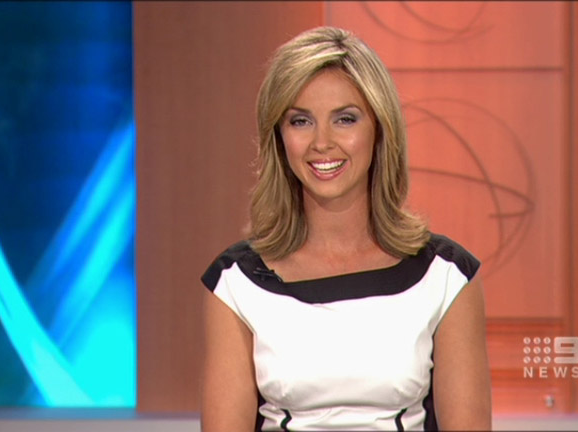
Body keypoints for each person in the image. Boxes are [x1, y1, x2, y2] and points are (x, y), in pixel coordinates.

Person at [200, 26, 491, 431]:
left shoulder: (446, 278)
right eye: (301, 121)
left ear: (379, 129)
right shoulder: (237, 284)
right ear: (279, 138)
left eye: (345, 119)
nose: (322, 142)